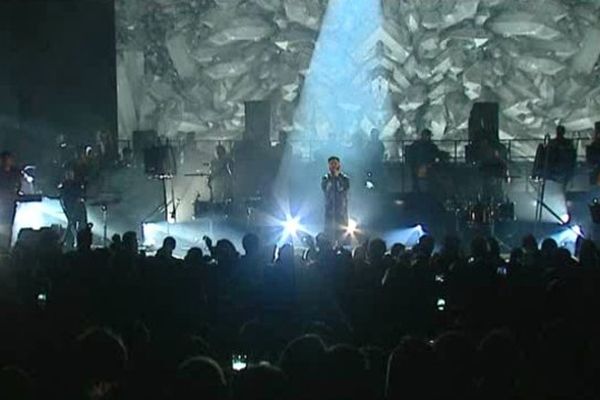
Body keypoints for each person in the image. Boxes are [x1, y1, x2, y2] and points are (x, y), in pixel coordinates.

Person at [321, 156, 350, 243]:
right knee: (329, 229)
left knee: (342, 229)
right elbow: (325, 188)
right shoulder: (325, 178)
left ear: (339, 165)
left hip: (341, 208)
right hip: (330, 208)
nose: (333, 166)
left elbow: (344, 188)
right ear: (328, 166)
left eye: (335, 163)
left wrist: (337, 178)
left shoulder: (344, 178)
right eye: (331, 164)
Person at [58, 168, 88, 250]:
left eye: (71, 173)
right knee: (71, 226)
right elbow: (62, 199)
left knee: (82, 226)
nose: (70, 175)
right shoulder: (63, 186)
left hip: (79, 208)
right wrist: (66, 210)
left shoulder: (77, 184)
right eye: (68, 173)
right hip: (70, 208)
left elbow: (83, 195)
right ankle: (70, 245)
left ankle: (82, 244)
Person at [0, 152, 21, 250]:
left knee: (9, 225)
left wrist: (16, 192)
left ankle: (6, 246)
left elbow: (18, 184)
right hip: (2, 200)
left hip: (10, 202)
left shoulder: (15, 172)